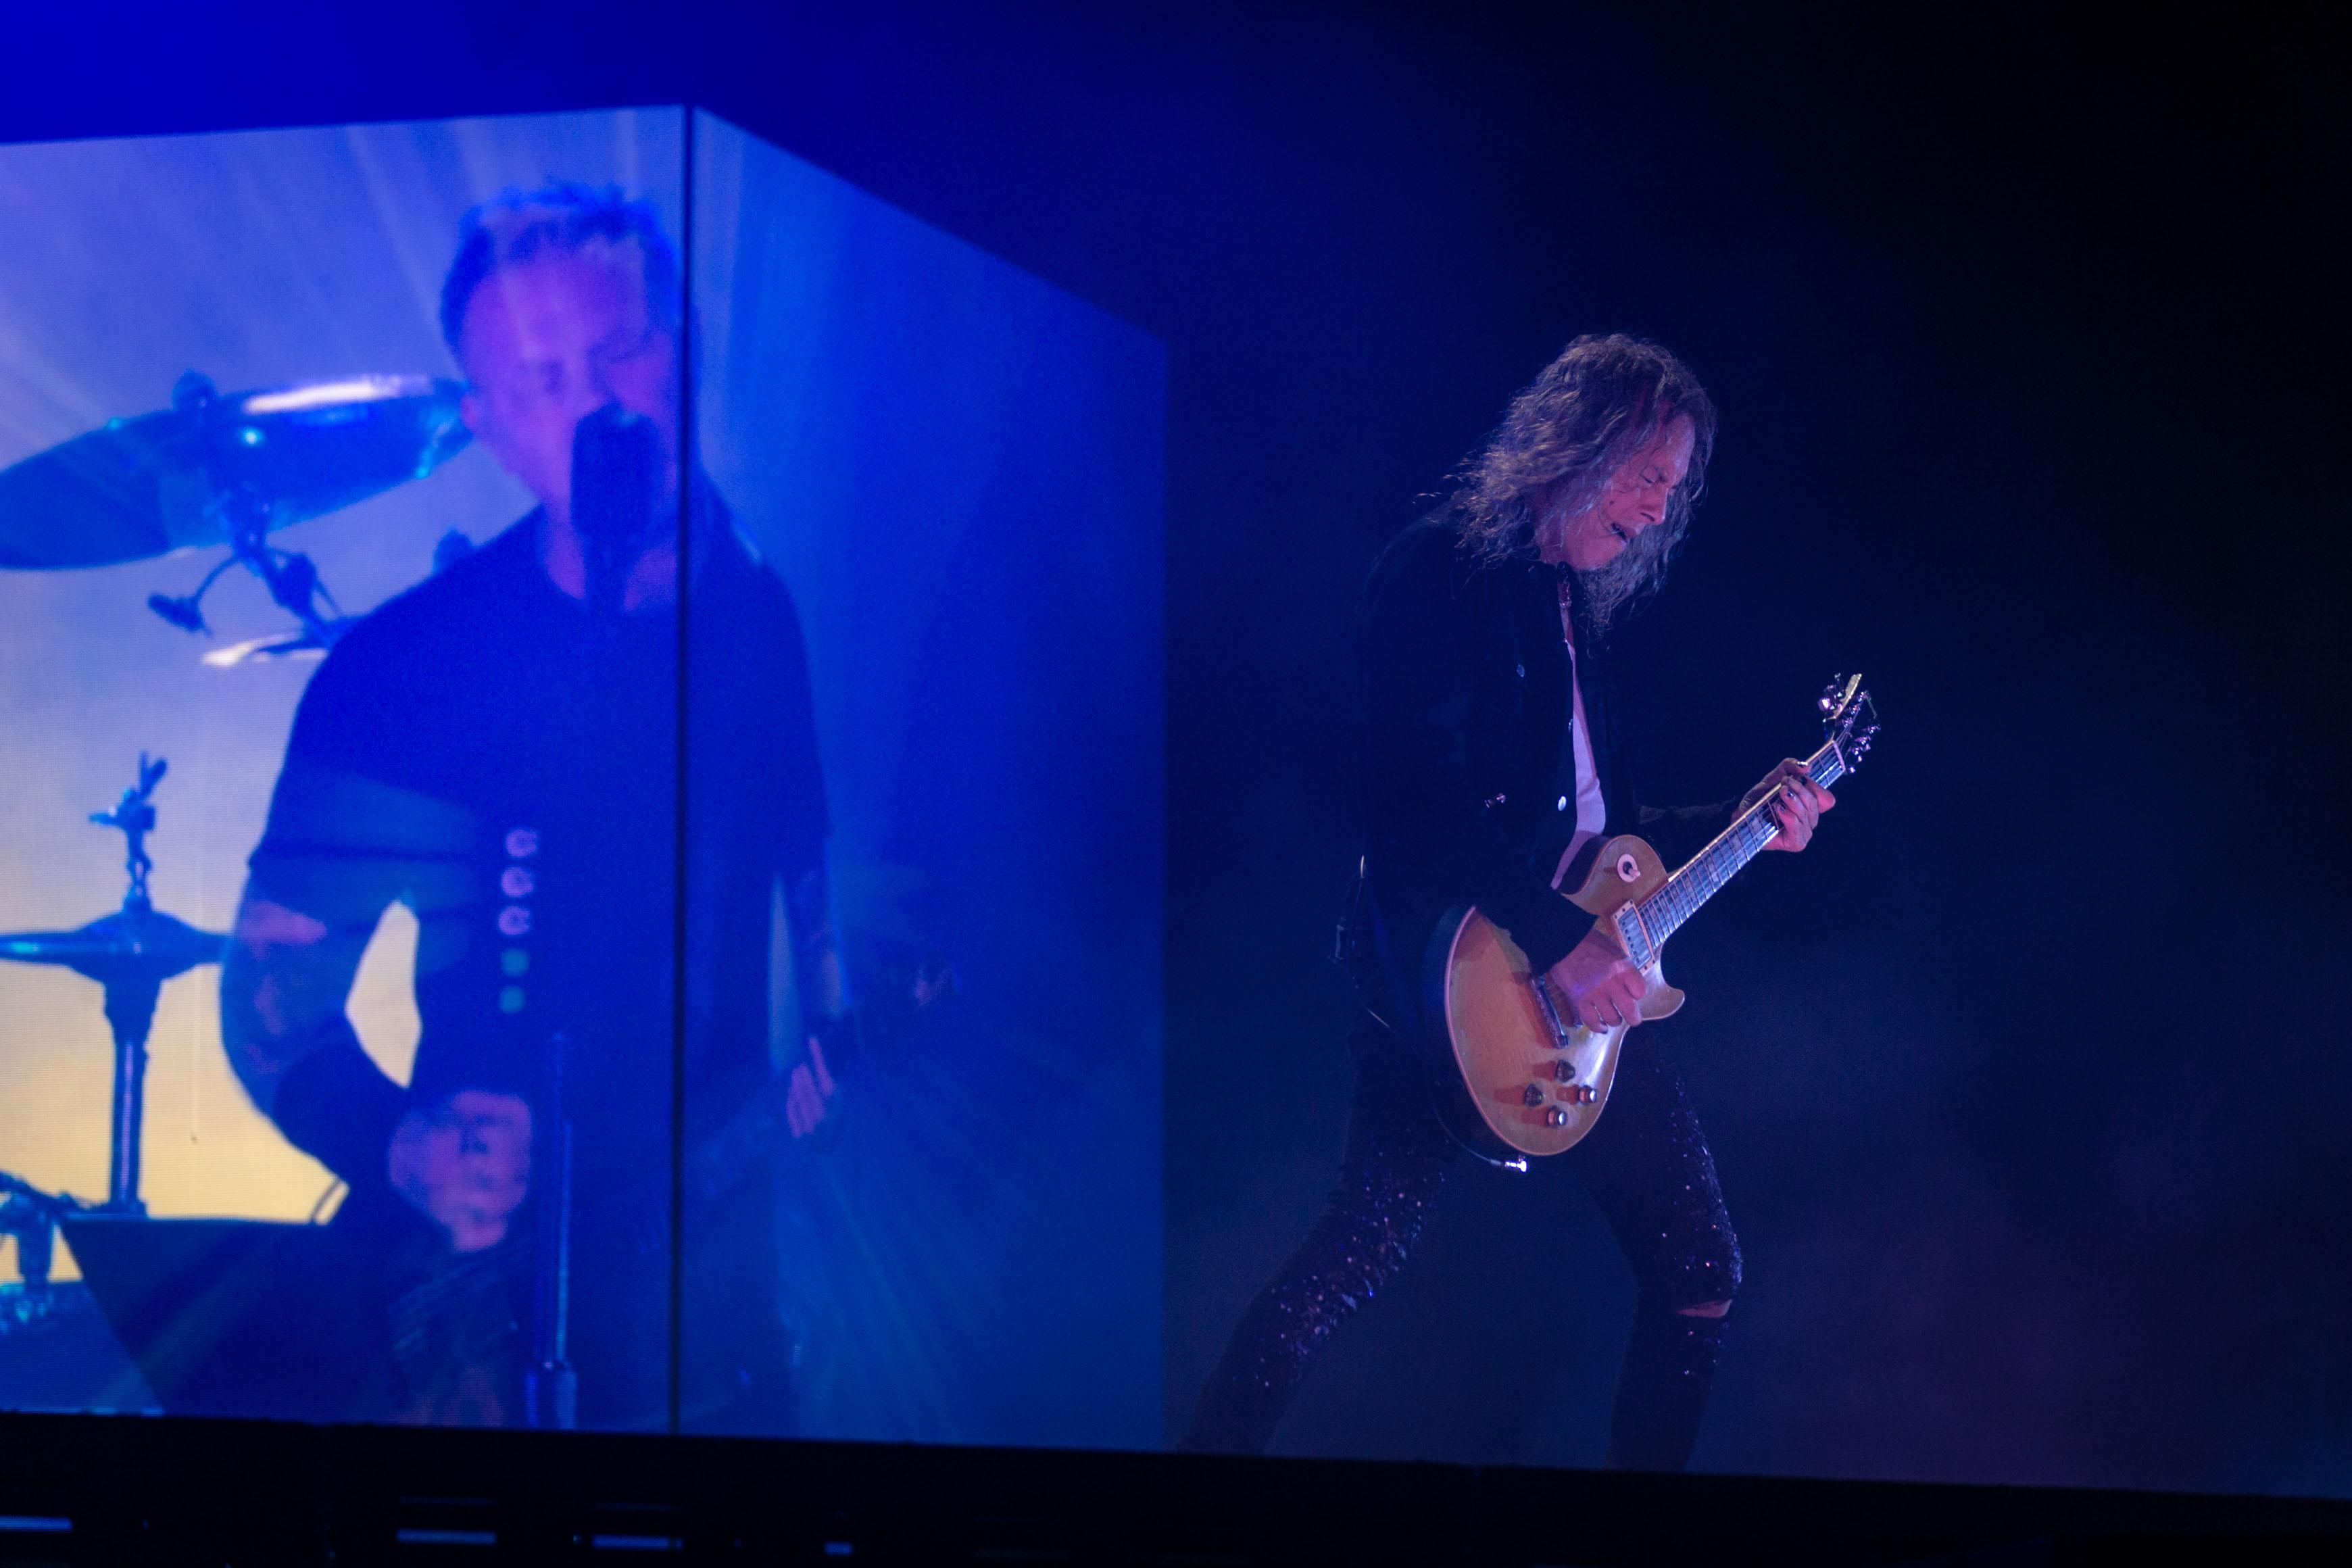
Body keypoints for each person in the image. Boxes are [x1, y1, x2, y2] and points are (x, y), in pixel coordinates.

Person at [220, 182, 845, 1432]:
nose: (602, 407)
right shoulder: (408, 671)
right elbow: (269, 996)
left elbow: (809, 896)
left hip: (714, 1336)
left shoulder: (765, 613)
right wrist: (402, 1147)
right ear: (488, 427)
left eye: (624, 349)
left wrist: (834, 1038)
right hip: (475, 1345)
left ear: (688, 350)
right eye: (544, 381)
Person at [1181, 334, 1834, 1468]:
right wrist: (1560, 944)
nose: (1658, 507)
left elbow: (1602, 840)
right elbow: (1410, 791)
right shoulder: (1438, 569)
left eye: (1673, 488)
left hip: (1572, 1000)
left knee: (1699, 1270)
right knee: (1351, 1257)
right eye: (1647, 473)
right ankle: (1181, 1510)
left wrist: (1744, 818)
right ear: (1582, 438)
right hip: (1444, 977)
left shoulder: (1574, 608)